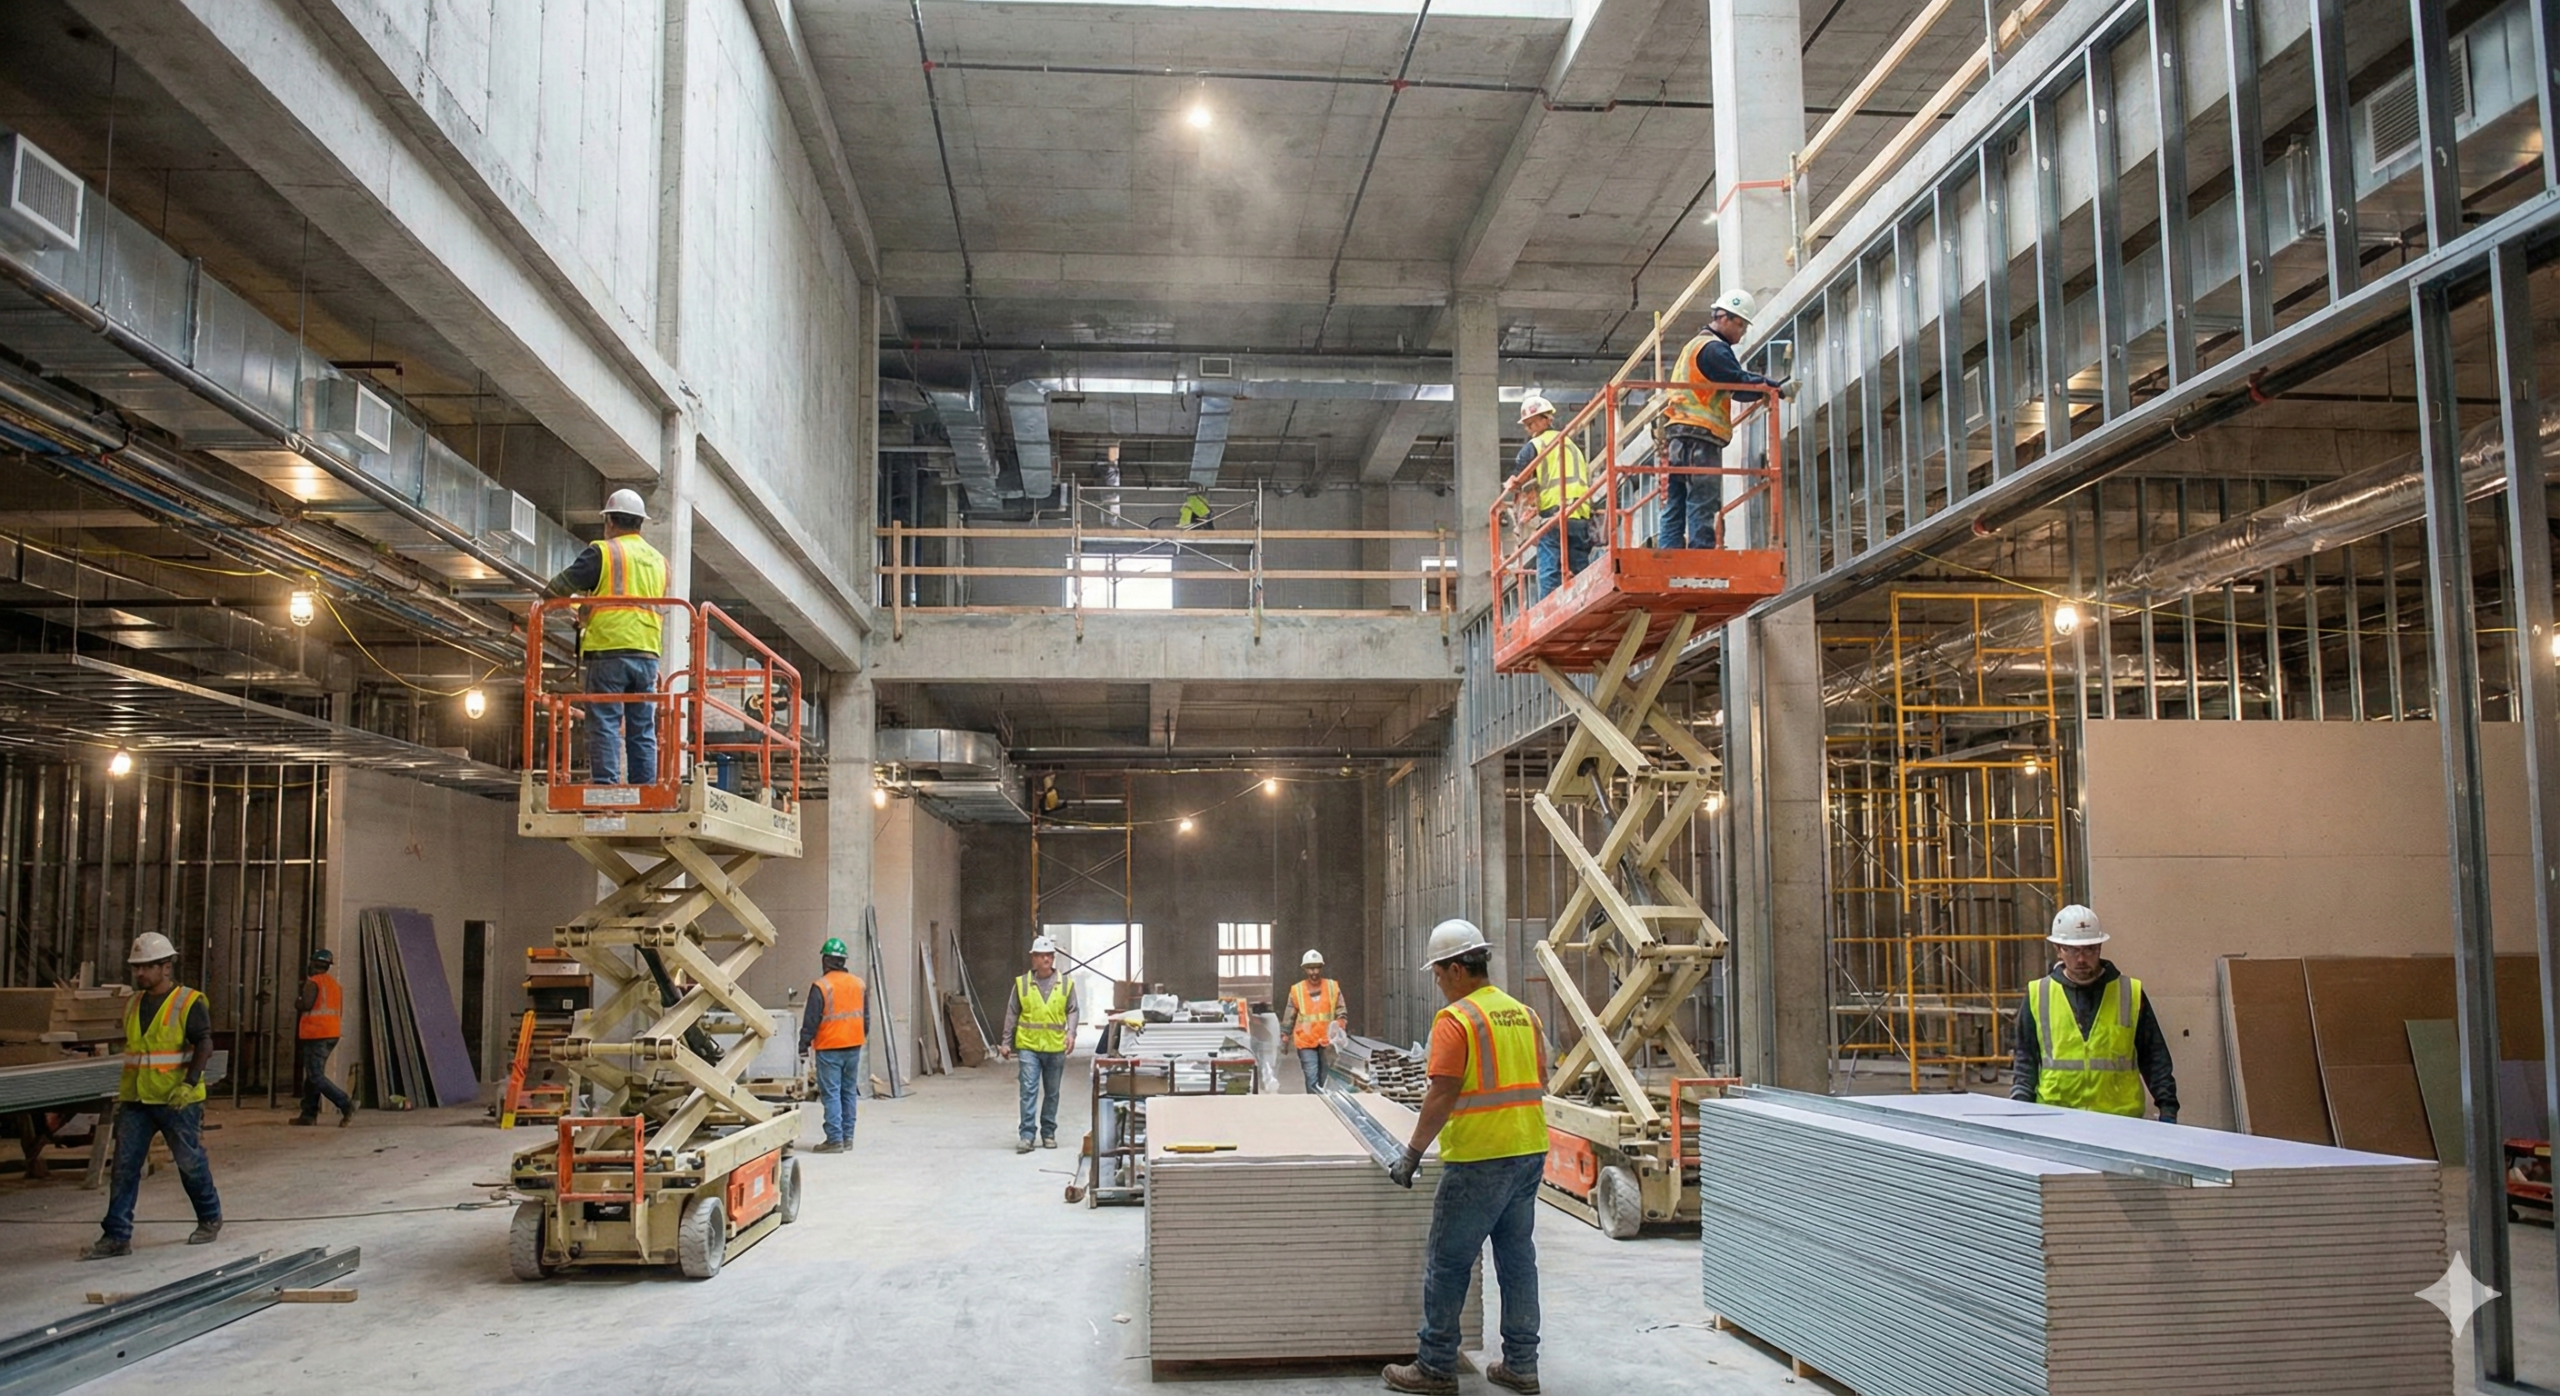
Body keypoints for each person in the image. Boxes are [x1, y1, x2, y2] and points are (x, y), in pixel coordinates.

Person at [1382, 920, 1548, 1396]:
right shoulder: (1523, 1014)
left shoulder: (1457, 1019)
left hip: (1479, 1158)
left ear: (1457, 969)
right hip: (1528, 1151)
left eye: (1438, 973)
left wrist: (1411, 1154)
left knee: (1448, 1262)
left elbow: (1441, 1094)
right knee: (1517, 1262)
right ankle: (1521, 1365)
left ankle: (1434, 1366)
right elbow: (1539, 1078)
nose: (1437, 982)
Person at [82, 933, 222, 1260]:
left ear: (166, 966)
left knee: (190, 1163)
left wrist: (189, 1083)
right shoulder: (133, 1002)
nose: (140, 974)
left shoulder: (189, 1002)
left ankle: (210, 1217)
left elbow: (204, 1043)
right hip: (137, 1100)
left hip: (177, 1099)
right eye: (137, 967)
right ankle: (116, 1235)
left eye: (146, 967)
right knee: (124, 1166)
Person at [2010, 905, 2179, 1122]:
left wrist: (2168, 1108)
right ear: (2058, 949)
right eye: (2073, 950)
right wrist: (2020, 1107)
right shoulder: (2038, 994)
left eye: (2089, 949)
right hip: (2056, 1118)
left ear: (2099, 947)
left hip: (2120, 1120)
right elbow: (2026, 1059)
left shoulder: (2129, 992)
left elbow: (2154, 1056)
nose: (2081, 959)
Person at [546, 487, 666, 785]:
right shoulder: (660, 561)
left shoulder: (604, 551)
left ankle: (606, 784)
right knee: (642, 726)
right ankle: (644, 787)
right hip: (648, 654)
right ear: (640, 523)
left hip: (609, 651)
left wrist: (540, 603)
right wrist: (587, 610)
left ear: (610, 521)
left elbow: (562, 585)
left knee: (605, 722)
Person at [1657, 290, 1788, 551]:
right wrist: (1772, 387)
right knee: (1703, 498)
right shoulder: (1715, 349)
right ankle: (1701, 556)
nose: (1741, 333)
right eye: (1740, 325)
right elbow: (1737, 381)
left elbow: (1732, 386)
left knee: (1677, 498)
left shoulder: (1694, 346)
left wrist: (1761, 388)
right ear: (1724, 318)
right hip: (1700, 436)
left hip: (1677, 434)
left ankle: (1668, 554)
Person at [998, 935, 1077, 1154]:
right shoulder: (1021, 984)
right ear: (1033, 959)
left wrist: (1071, 1033)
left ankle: (1048, 1132)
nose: (1045, 959)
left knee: (1052, 1092)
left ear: (1053, 958)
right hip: (1028, 1046)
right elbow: (1012, 1012)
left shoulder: (1065, 985)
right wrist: (1006, 1042)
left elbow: (1072, 1010)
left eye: (1049, 955)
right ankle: (1027, 1135)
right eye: (1041, 955)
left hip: (1055, 1046)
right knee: (1028, 1090)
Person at [1515, 395, 1593, 601]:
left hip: (1555, 514)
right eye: (1527, 425)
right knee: (1579, 567)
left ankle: (1548, 608)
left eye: (1531, 423)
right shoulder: (1571, 445)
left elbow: (1520, 480)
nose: (1529, 428)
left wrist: (1518, 492)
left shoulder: (1536, 446)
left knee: (1549, 566)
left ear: (1546, 419)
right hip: (1580, 513)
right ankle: (1584, 603)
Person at [799, 936, 867, 1153]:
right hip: (853, 1047)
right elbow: (866, 1018)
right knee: (848, 1092)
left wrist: (804, 1043)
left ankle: (834, 1140)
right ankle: (848, 1138)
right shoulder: (859, 984)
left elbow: (811, 1019)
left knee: (831, 1094)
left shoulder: (821, 986)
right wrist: (858, 1036)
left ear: (826, 961)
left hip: (829, 1048)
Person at [291, 946, 355, 1127]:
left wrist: (298, 1001)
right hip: (331, 1033)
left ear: (313, 963)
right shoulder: (334, 985)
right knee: (312, 1075)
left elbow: (306, 1004)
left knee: (316, 1075)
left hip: (316, 1034)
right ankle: (308, 1115)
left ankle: (345, 1103)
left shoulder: (313, 983)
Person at [1279, 949, 1346, 1093]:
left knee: (1324, 1077)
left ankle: (1322, 1106)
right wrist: (1285, 1036)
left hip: (1327, 1040)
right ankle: (1314, 1105)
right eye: (1310, 968)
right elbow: (1289, 1015)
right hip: (1306, 1041)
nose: (1313, 972)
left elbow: (1341, 1011)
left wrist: (1339, 1027)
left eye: (1316, 967)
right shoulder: (1297, 990)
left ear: (1321, 967)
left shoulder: (1332, 987)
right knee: (1311, 1077)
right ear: (1304, 969)